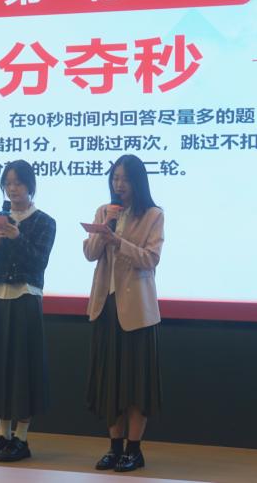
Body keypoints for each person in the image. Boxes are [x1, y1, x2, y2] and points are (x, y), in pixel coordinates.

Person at [0, 160, 57, 463]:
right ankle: (3, 434)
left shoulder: (45, 222)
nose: (13, 189)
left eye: (18, 183)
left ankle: (21, 437)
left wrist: (18, 238)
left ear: (30, 185)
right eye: (8, 183)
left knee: (23, 367)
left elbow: (39, 262)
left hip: (25, 298)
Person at [83, 154, 164, 473]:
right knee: (110, 383)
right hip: (106, 307)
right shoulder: (105, 211)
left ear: (138, 182)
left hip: (136, 312)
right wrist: (104, 231)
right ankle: (114, 447)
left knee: (135, 384)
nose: (119, 184)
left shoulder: (153, 215)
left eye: (126, 179)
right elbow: (90, 254)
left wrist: (118, 241)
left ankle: (134, 449)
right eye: (115, 178)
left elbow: (151, 258)